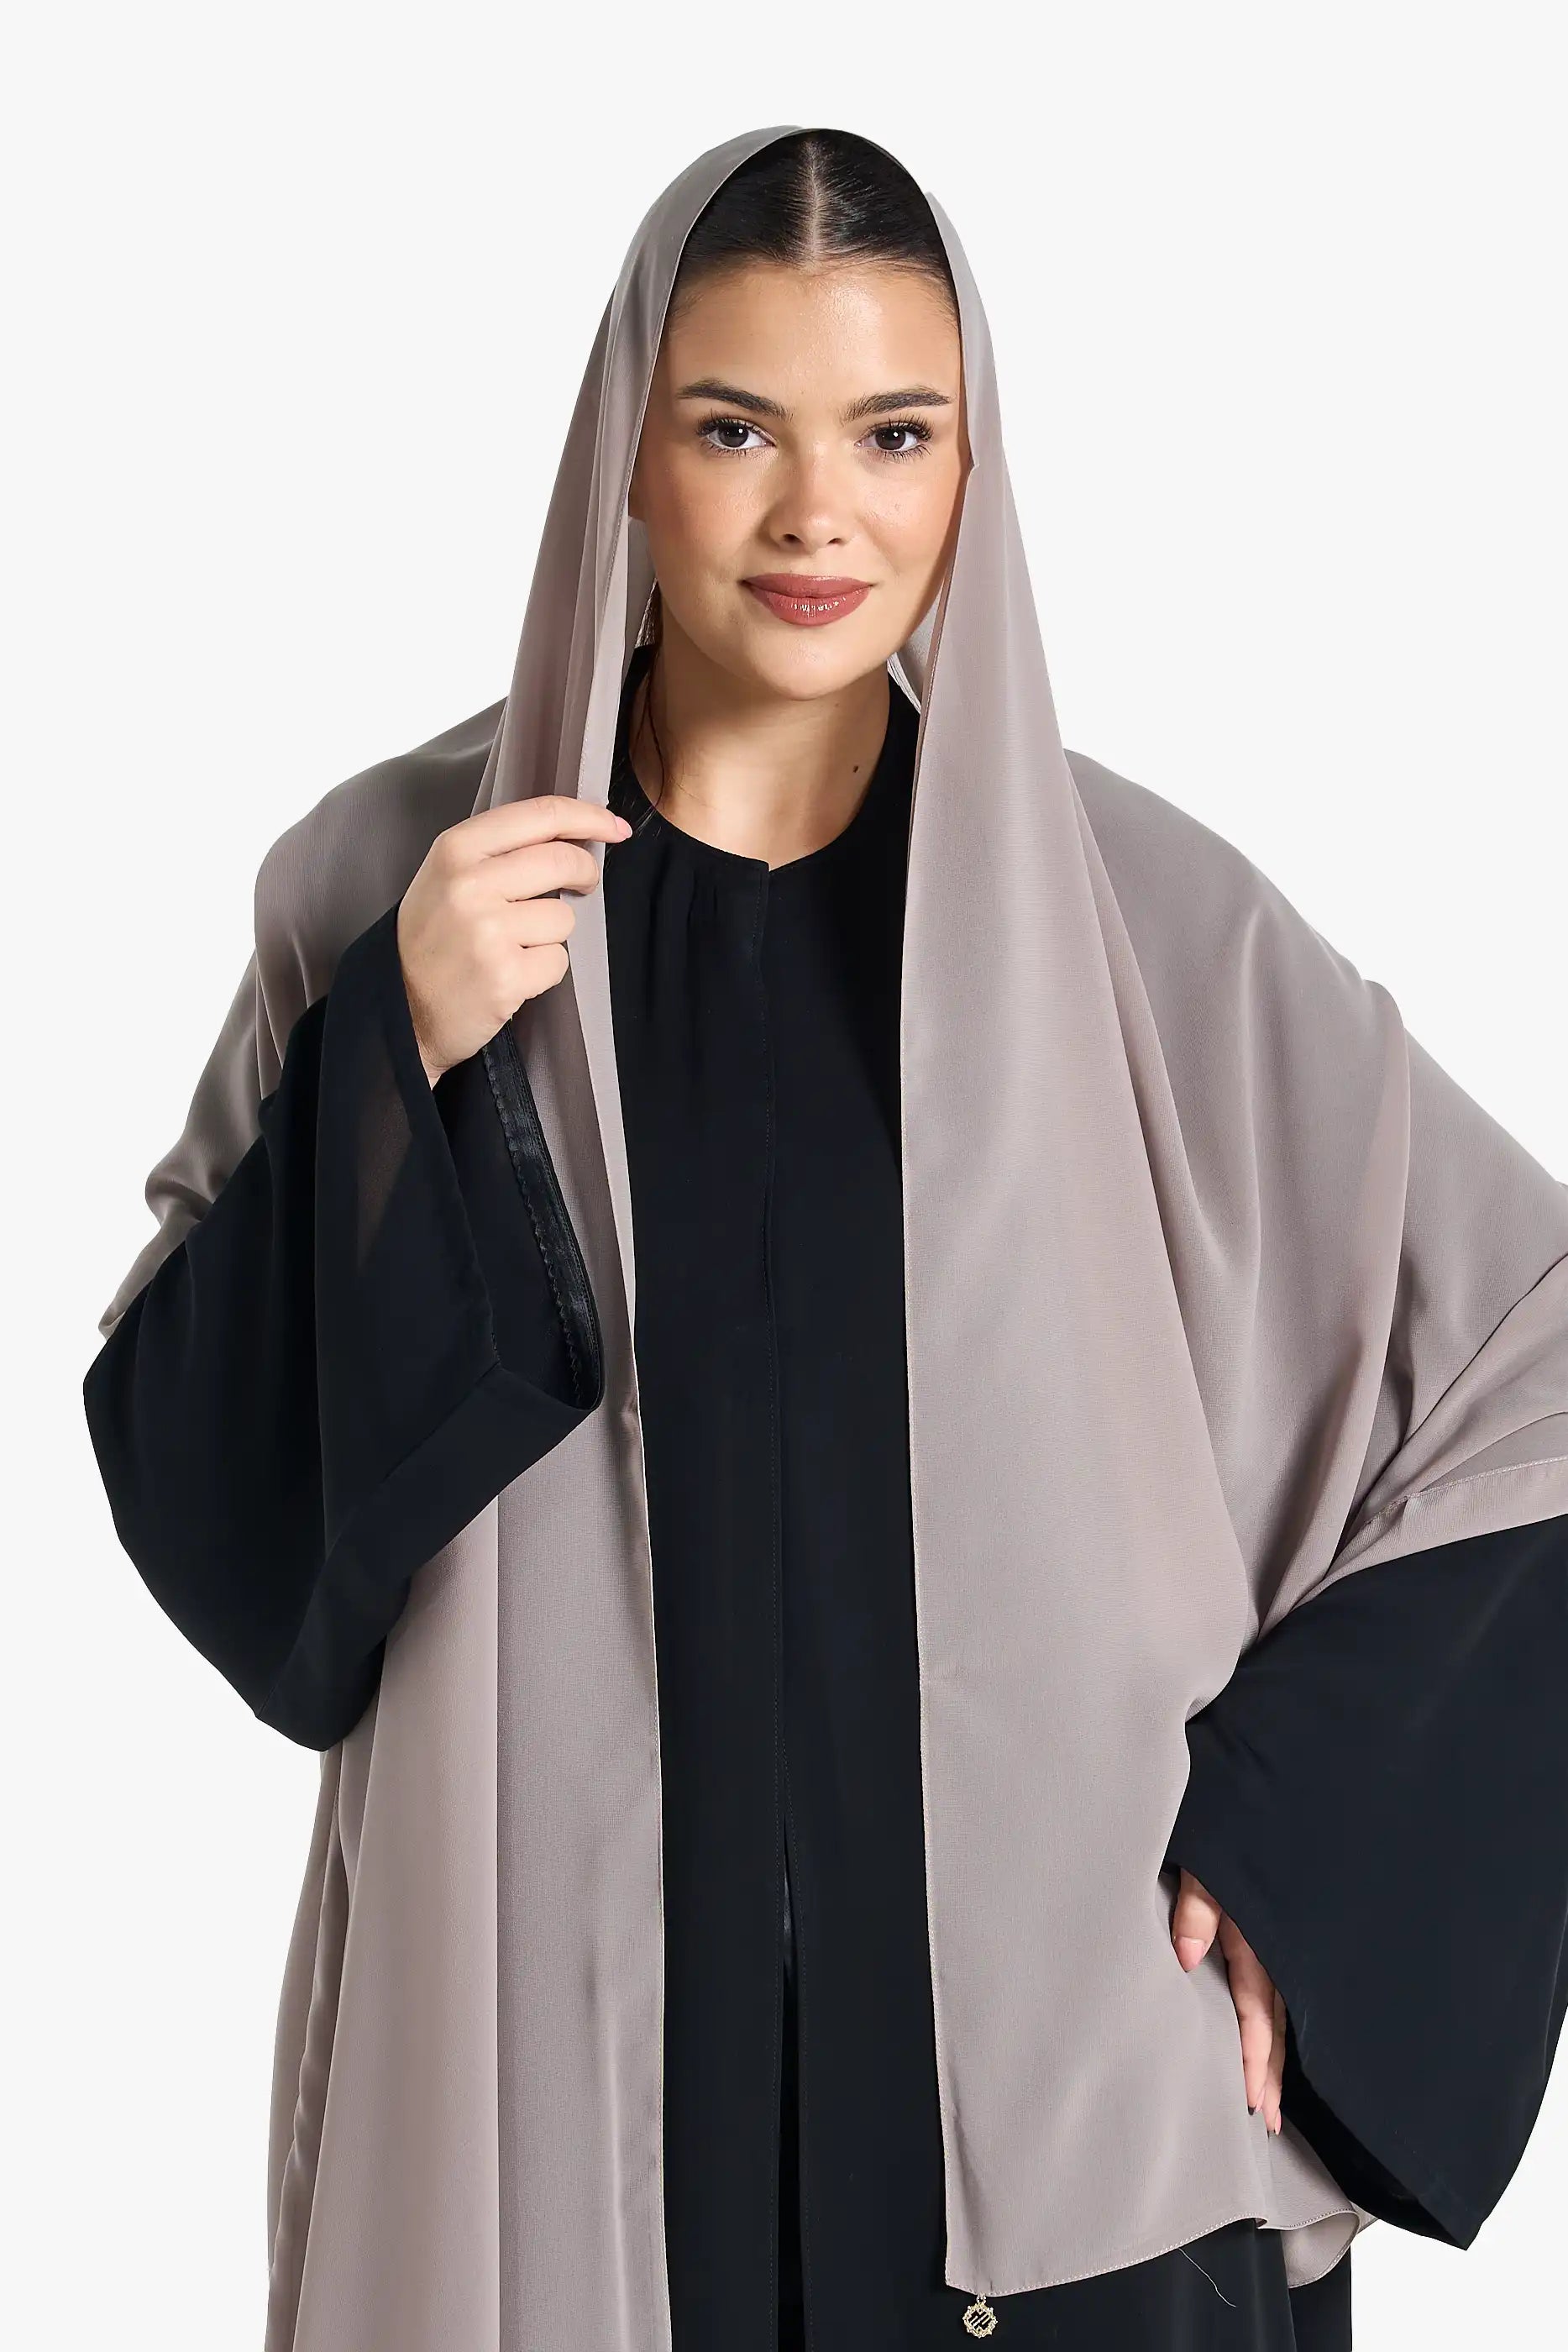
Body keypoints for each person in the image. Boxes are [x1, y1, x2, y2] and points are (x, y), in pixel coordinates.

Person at [82, 126, 1568, 2352]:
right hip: (568, 2144)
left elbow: (1533, 1351)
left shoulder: (1144, 926)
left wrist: (1301, 1846)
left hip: (1051, 2182)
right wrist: (398, 1055)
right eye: (732, 429)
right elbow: (216, 1524)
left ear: (973, 471)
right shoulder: (392, 886)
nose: (816, 517)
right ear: (626, 451)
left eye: (892, 435)